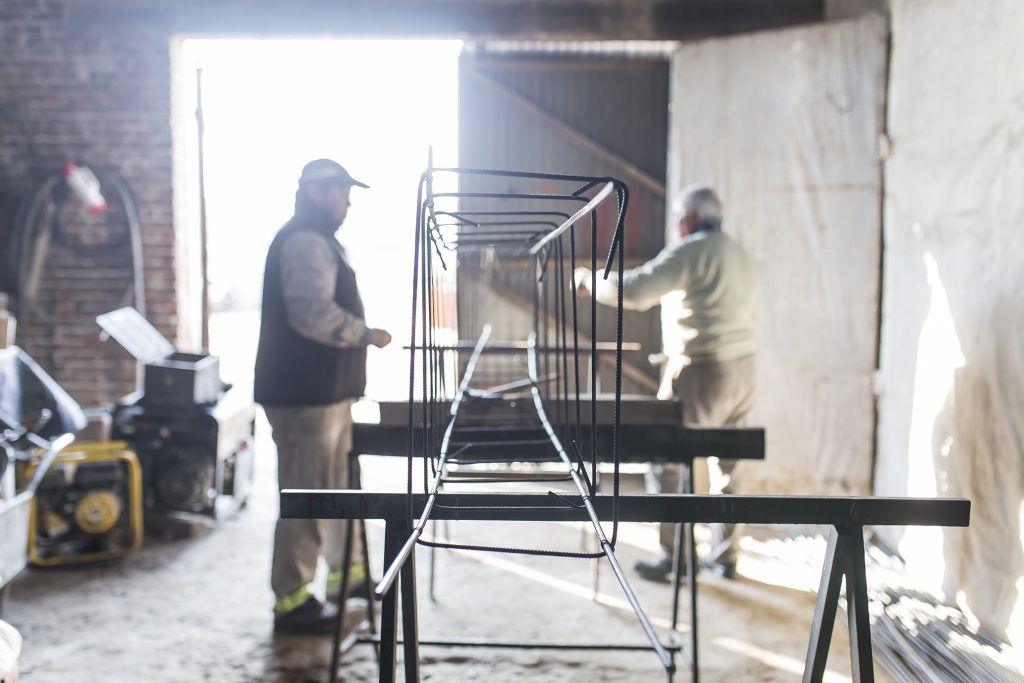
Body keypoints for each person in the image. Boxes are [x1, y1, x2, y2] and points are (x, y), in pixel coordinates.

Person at [575, 183, 760, 582]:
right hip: (743, 368)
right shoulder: (739, 253)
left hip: (702, 369)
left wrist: (593, 282)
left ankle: (675, 558)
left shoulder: (693, 251)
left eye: (679, 217)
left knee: (667, 460)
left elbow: (638, 290)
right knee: (729, 465)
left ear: (689, 219)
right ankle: (726, 556)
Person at [254, 158, 392, 634]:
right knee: (307, 497)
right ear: (317, 191)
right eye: (341, 192)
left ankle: (346, 578)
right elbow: (311, 312)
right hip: (304, 399)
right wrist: (364, 334)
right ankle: (292, 601)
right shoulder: (304, 241)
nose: (348, 201)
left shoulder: (322, 240)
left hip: (327, 398)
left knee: (337, 491)